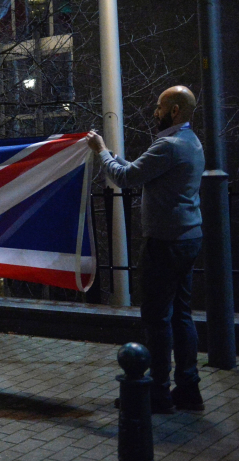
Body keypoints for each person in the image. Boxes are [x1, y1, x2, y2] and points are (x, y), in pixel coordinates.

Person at [87, 85, 205, 413]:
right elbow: (139, 171)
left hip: (165, 243)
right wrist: (113, 156)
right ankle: (188, 389)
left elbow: (125, 178)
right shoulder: (190, 141)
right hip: (187, 238)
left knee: (156, 318)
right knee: (181, 315)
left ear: (175, 110)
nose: (155, 112)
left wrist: (101, 151)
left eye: (160, 107)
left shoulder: (168, 145)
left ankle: (157, 392)